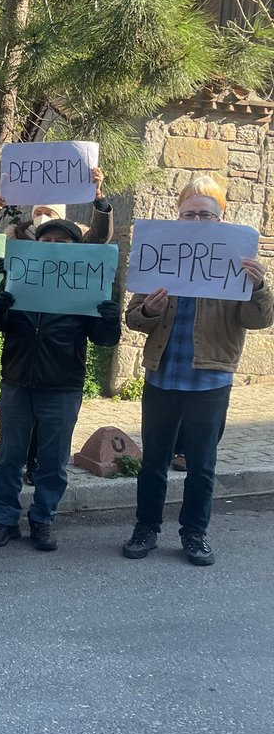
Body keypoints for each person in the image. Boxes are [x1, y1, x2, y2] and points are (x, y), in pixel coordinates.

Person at [121, 175, 271, 566]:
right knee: (153, 461)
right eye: (189, 213)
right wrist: (149, 311)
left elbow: (258, 320)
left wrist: (259, 288)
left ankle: (194, 534)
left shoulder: (238, 263)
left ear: (220, 219)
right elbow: (133, 317)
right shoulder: (162, 256)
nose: (197, 219)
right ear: (178, 217)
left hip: (210, 378)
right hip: (162, 376)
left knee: (201, 465)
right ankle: (146, 528)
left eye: (206, 213)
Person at [0, 219, 121, 551]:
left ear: (75, 248)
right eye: (47, 239)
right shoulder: (18, 276)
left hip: (62, 386)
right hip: (17, 382)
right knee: (9, 459)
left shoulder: (87, 284)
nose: (54, 243)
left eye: (62, 239)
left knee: (53, 461)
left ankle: (43, 520)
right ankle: (4, 520)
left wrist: (110, 318)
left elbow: (104, 340)